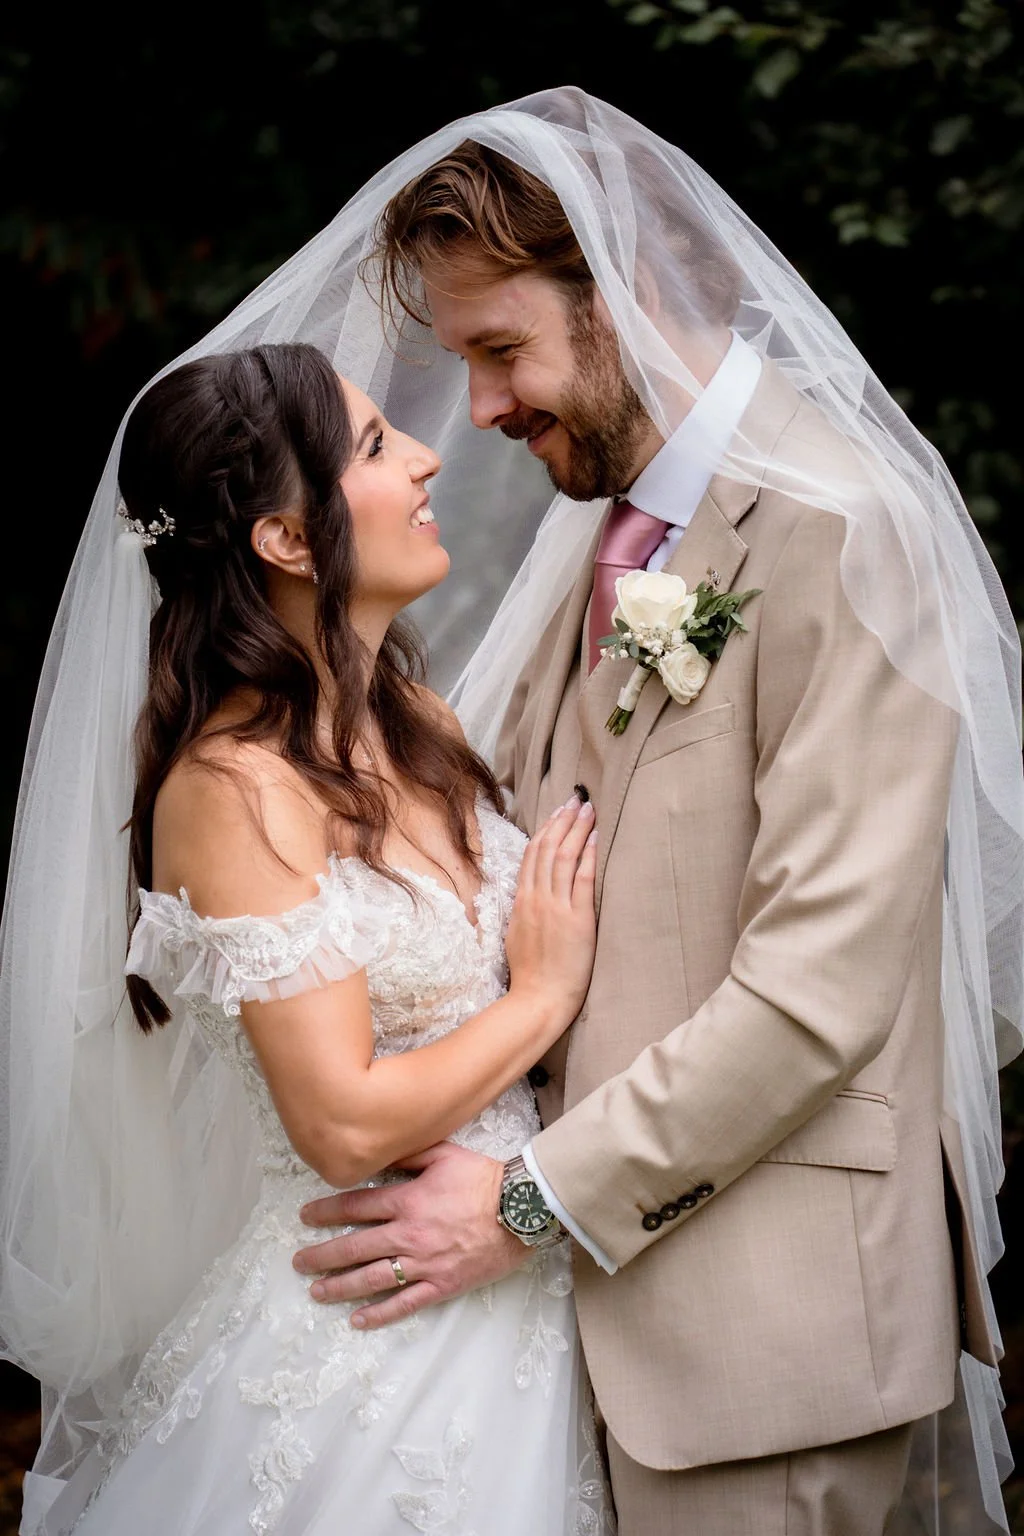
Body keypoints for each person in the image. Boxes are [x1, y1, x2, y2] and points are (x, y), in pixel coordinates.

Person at [2, 89, 1019, 1536]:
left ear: (620, 296)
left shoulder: (836, 526)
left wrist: (530, 1199)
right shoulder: (596, 539)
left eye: (500, 350)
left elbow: (819, 986)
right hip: (553, 1328)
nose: (469, 418)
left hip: (755, 1322)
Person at [7, 341, 611, 1535]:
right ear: (285, 541)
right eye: (380, 447)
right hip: (367, 1334)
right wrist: (540, 1001)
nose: (431, 455)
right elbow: (338, 1125)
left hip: (521, 1287)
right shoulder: (232, 791)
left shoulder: (415, 718)